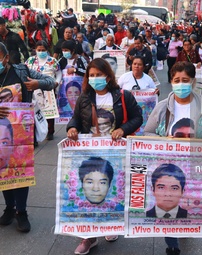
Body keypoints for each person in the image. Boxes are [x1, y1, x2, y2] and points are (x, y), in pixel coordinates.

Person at [144, 61, 202, 255]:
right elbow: (147, 133)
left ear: (193, 82)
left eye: (185, 80)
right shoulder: (162, 107)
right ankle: (172, 244)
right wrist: (165, 140)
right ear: (171, 82)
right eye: (177, 80)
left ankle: (185, 227)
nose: (181, 84)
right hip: (169, 169)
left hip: (196, 167)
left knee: (188, 204)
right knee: (169, 203)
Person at [66, 58, 142, 254]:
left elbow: (138, 117)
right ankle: (88, 237)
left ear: (108, 76)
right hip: (89, 153)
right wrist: (72, 127)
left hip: (115, 154)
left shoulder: (123, 96)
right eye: (91, 75)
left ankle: (110, 226)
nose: (95, 78)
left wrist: (123, 129)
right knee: (89, 193)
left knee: (111, 191)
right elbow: (76, 117)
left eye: (98, 75)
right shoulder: (84, 98)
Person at [0, 42, 55, 233]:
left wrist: (37, 84)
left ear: (6, 58)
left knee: (21, 171)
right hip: (1, 133)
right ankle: (9, 207)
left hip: (22, 130)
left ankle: (21, 212)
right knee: (4, 169)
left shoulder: (22, 71)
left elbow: (51, 81)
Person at [25, 40, 61, 141]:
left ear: (47, 50)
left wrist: (56, 83)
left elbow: (58, 73)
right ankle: (36, 133)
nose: (41, 52)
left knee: (49, 112)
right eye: (39, 50)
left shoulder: (52, 61)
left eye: (43, 50)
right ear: (35, 50)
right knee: (36, 112)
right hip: (34, 89)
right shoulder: (30, 61)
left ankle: (50, 132)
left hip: (48, 88)